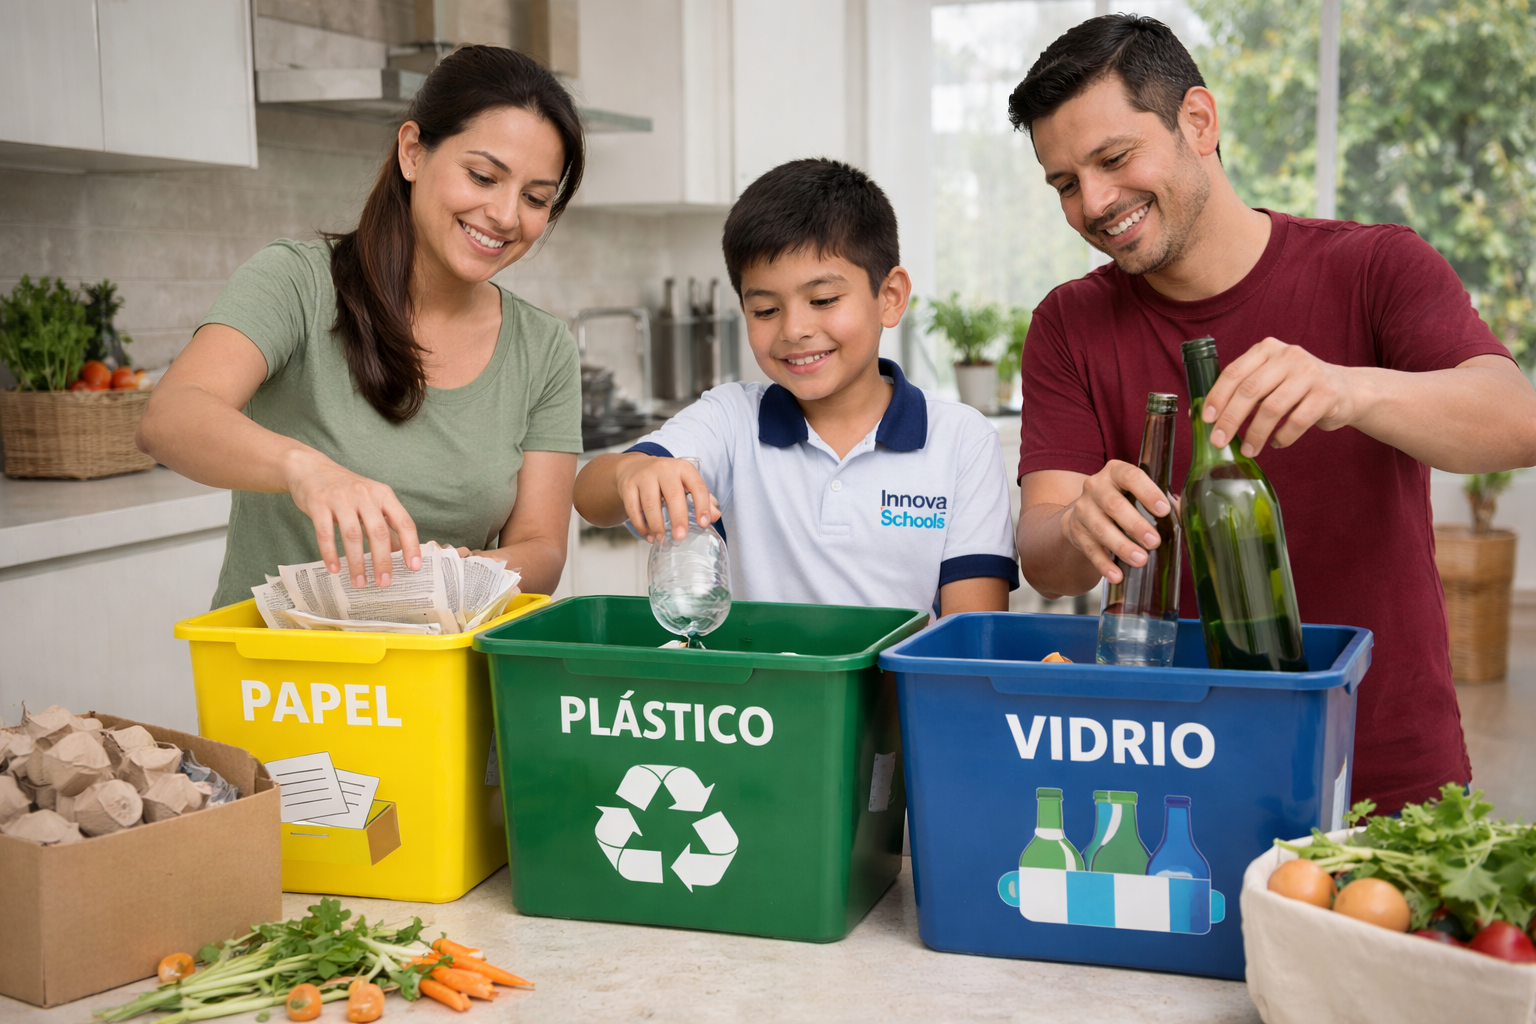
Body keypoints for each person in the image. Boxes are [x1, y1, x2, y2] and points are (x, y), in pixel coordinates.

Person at [1007, 14, 1536, 813]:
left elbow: (1517, 422)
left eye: (1113, 159)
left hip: (1383, 764)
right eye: (1065, 184)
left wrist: (1351, 390)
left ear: (1199, 121)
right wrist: (1082, 524)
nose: (1095, 202)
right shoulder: (1067, 326)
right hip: (1181, 767)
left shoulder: (1375, 267)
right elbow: (1046, 560)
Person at [139, 46, 586, 608]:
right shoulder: (297, 283)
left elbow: (542, 548)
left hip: (441, 658)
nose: (505, 215)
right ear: (412, 153)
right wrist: (306, 470)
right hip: (278, 663)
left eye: (535, 198)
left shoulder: (544, 348)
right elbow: (169, 417)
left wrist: (463, 574)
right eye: (482, 176)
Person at [574, 159, 1018, 616]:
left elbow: (971, 634)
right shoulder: (730, 419)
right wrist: (631, 472)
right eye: (766, 310)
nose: (794, 329)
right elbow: (590, 495)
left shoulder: (961, 440)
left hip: (907, 669)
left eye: (823, 300)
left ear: (890, 297)